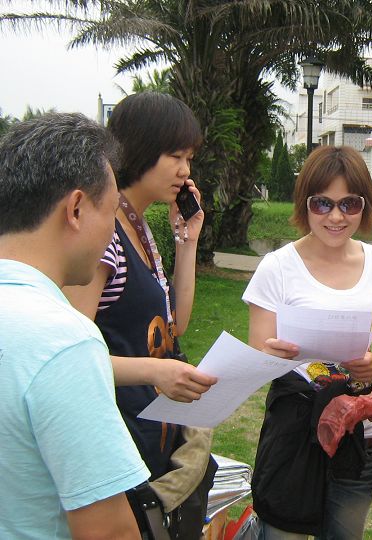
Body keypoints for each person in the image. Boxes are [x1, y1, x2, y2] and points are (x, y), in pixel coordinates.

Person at [64, 92, 218, 539]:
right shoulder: (105, 236)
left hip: (149, 440)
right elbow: (71, 356)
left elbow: (175, 325)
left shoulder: (139, 227)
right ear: (140, 147)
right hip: (116, 446)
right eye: (175, 156)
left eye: (189, 159)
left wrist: (187, 241)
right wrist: (155, 371)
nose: (185, 171)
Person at [242, 145, 372, 539]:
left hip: (359, 434)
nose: (336, 217)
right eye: (322, 204)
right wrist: (270, 354)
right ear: (305, 204)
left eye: (349, 204)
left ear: (365, 206)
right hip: (295, 432)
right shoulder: (277, 267)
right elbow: (256, 358)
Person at [0, 113, 150, 539]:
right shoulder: (63, 341)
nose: (112, 231)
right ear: (77, 209)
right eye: (112, 211)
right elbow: (108, 531)